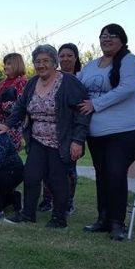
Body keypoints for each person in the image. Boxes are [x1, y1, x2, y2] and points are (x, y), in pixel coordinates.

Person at [0, 44, 90, 229]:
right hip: (37, 138)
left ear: (54, 63)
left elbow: (82, 113)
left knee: (57, 179)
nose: (41, 65)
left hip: (60, 140)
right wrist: (6, 125)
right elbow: (21, 107)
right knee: (31, 175)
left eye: (46, 61)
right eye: (37, 61)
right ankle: (27, 214)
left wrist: (78, 140)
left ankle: (58, 218)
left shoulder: (69, 82)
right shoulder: (32, 83)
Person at [78, 24, 135, 241]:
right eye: (103, 36)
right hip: (97, 133)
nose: (106, 39)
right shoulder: (91, 66)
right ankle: (103, 219)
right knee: (102, 174)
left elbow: (127, 87)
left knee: (116, 172)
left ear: (122, 39)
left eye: (112, 36)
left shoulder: (129, 61)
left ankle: (118, 223)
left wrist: (96, 104)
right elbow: (75, 84)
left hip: (127, 130)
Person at [38, 42, 84, 213]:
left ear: (76, 58)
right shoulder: (50, 77)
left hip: (69, 132)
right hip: (47, 134)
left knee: (68, 169)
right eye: (62, 55)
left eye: (69, 55)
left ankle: (67, 202)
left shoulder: (80, 78)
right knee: (46, 168)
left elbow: (81, 108)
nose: (65, 59)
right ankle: (47, 200)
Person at [0, 52, 27, 150]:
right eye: (5, 64)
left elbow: (21, 105)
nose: (5, 66)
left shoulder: (22, 82)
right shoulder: (3, 82)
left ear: (17, 65)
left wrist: (0, 106)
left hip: (12, 127)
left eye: (9, 64)